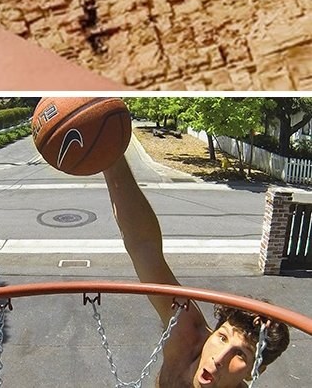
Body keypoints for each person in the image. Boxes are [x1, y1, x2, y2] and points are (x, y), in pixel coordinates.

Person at [102, 153, 290, 386]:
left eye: (241, 354)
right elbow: (144, 247)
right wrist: (110, 158)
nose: (219, 358)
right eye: (222, 337)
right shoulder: (186, 335)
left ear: (255, 371)